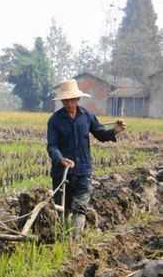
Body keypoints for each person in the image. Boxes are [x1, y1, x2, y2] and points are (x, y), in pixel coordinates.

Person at [47, 79, 126, 238]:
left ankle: (74, 241)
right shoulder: (55, 120)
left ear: (77, 99)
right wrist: (61, 159)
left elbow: (101, 134)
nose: (69, 103)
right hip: (62, 172)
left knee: (80, 207)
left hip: (83, 170)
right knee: (63, 208)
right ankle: (62, 239)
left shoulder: (87, 116)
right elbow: (52, 146)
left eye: (71, 100)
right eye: (65, 100)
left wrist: (115, 130)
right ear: (62, 101)